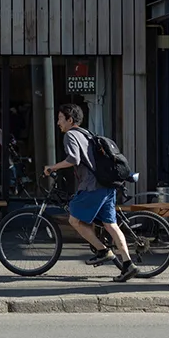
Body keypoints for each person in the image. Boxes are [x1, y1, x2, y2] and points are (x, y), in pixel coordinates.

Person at [44, 103, 136, 282]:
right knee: (111, 225)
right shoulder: (86, 133)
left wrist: (52, 168)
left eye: (60, 119)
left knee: (74, 219)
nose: (58, 123)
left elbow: (73, 159)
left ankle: (103, 250)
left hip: (92, 187)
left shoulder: (71, 135)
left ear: (70, 120)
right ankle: (128, 265)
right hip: (106, 185)